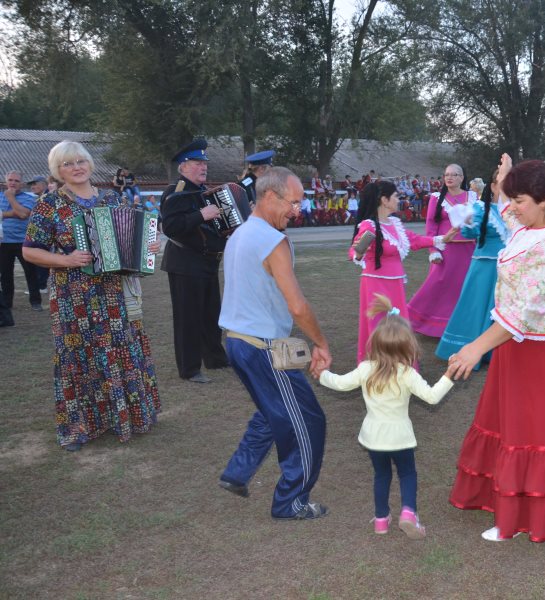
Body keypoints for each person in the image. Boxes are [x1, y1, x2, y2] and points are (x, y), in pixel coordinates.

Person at [448, 155, 545, 543]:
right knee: (509, 427)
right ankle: (507, 502)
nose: (514, 209)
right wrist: (507, 178)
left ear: (544, 200)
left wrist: (475, 347)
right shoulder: (525, 225)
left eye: (522, 201)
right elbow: (507, 213)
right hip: (514, 345)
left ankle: (530, 518)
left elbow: (523, 313)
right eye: (514, 201)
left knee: (536, 432)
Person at [21, 140, 160, 450]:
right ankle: (78, 426)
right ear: (58, 170)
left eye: (80, 161)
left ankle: (125, 417)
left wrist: (147, 250)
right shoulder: (50, 204)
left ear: (89, 164)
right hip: (74, 297)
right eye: (68, 164)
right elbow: (29, 251)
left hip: (113, 294)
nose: (77, 167)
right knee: (78, 356)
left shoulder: (111, 198)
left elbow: (132, 244)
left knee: (118, 350)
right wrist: (66, 260)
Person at [217, 166, 332, 520]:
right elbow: (297, 305)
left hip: (237, 343)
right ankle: (291, 501)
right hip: (262, 347)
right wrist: (321, 344)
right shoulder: (271, 240)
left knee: (272, 411)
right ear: (269, 196)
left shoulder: (240, 234)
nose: (298, 211)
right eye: (293, 202)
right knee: (308, 422)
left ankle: (238, 472)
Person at [318, 294, 456, 538]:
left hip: (373, 438)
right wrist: (449, 375)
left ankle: (381, 520)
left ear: (376, 343)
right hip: (400, 437)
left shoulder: (365, 369)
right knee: (407, 473)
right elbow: (432, 396)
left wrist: (321, 374)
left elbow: (339, 383)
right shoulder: (407, 374)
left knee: (381, 475)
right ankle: (408, 513)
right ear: (408, 346)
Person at [349, 181, 454, 363]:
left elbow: (414, 240)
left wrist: (440, 239)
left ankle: (400, 368)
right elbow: (354, 251)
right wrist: (358, 252)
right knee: (380, 327)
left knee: (398, 327)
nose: (399, 199)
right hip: (376, 285)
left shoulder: (395, 223)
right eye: (396, 196)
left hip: (396, 284)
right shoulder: (369, 225)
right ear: (384, 200)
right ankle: (379, 370)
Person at [160, 137, 229, 383]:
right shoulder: (176, 192)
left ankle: (215, 358)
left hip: (208, 262)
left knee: (211, 314)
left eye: (204, 163)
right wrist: (200, 214)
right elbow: (169, 226)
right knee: (187, 317)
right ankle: (189, 369)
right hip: (185, 263)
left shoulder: (204, 192)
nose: (203, 166)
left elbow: (217, 224)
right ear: (183, 166)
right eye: (197, 162)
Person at [435, 170, 508, 366]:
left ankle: (496, 351)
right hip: (484, 267)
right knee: (477, 307)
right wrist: (466, 223)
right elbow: (469, 232)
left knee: (501, 308)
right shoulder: (479, 208)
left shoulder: (512, 210)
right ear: (493, 186)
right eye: (503, 183)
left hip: (507, 268)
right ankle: (473, 349)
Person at [407, 164, 477, 337]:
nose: (449, 177)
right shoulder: (436, 197)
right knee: (436, 285)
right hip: (446, 250)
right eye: (446, 174)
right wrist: (433, 250)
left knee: (462, 288)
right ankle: (414, 319)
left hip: (469, 250)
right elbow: (431, 226)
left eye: (454, 174)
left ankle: (455, 327)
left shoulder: (473, 196)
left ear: (462, 177)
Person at [1, 170, 43, 311]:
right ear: (6, 181)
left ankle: (35, 301)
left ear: (22, 184)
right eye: (10, 180)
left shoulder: (28, 198)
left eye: (16, 181)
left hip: (23, 241)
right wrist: (13, 213)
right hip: (4, 241)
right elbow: (18, 213)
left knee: (30, 272)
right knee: (6, 274)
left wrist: (11, 199)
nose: (13, 183)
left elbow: (24, 214)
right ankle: (7, 304)